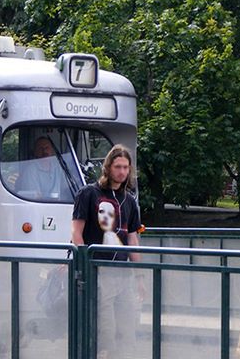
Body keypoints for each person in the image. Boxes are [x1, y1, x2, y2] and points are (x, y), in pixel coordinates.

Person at [71, 144, 142, 359]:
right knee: (105, 327)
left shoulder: (129, 201)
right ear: (108, 167)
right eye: (118, 166)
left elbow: (132, 238)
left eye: (126, 167)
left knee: (128, 324)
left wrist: (139, 275)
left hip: (122, 271)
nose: (122, 172)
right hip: (98, 269)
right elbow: (76, 231)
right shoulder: (89, 194)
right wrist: (83, 263)